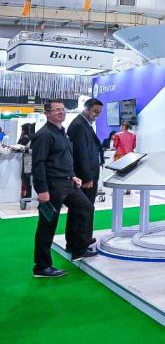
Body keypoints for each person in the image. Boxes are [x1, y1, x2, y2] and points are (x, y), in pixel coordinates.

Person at [32, 99, 96, 277]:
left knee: (86, 208)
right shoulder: (44, 135)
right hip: (52, 186)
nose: (61, 112)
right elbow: (38, 165)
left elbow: (64, 158)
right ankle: (42, 267)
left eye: (63, 109)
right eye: (56, 110)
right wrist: (42, 191)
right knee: (47, 225)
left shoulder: (62, 132)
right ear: (47, 113)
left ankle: (78, 249)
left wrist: (73, 175)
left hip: (68, 183)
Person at [67, 98, 105, 252]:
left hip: (87, 174)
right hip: (84, 177)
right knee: (83, 210)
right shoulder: (79, 125)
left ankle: (82, 239)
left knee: (84, 209)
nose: (97, 115)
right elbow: (80, 153)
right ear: (86, 109)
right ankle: (79, 244)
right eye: (95, 111)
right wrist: (87, 177)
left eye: (99, 112)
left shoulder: (84, 124)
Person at [19, 123, 34, 200]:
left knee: (26, 176)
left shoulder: (25, 138)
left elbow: (19, 145)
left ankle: (28, 194)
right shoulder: (33, 137)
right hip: (30, 158)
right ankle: (29, 193)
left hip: (27, 158)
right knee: (28, 176)